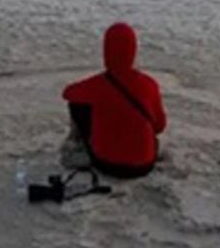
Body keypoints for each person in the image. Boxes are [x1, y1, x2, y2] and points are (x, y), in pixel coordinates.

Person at [61, 22, 168, 179]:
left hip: (105, 163)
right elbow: (159, 126)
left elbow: (68, 93)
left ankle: (78, 145)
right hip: (144, 165)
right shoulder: (148, 84)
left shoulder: (98, 85)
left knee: (77, 104)